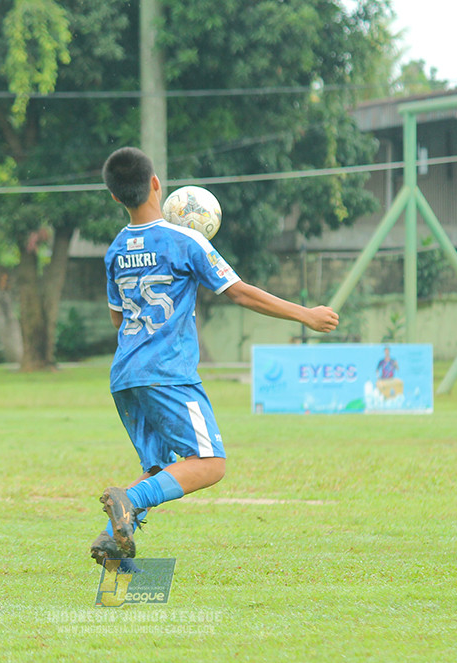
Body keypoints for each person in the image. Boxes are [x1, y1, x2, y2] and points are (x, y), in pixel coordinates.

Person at [91, 147, 339, 564]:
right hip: (167, 371)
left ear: (115, 197)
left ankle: (113, 541)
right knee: (209, 463)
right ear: (155, 184)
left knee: (162, 469)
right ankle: (128, 500)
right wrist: (305, 315)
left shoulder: (115, 250)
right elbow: (239, 291)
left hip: (125, 375)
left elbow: (118, 321)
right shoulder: (186, 240)